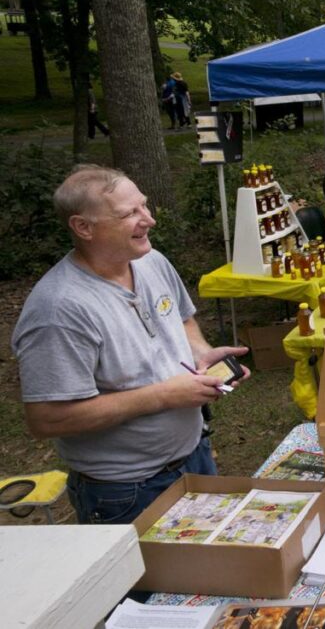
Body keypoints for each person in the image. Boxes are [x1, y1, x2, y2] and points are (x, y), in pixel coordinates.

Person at [11, 165, 250, 524]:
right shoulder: (59, 310)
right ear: (83, 227)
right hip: (125, 491)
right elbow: (46, 419)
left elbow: (182, 317)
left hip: (193, 455)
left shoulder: (150, 260)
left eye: (145, 206)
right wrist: (165, 395)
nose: (149, 220)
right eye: (130, 214)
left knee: (207, 578)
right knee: (154, 583)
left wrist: (199, 353)